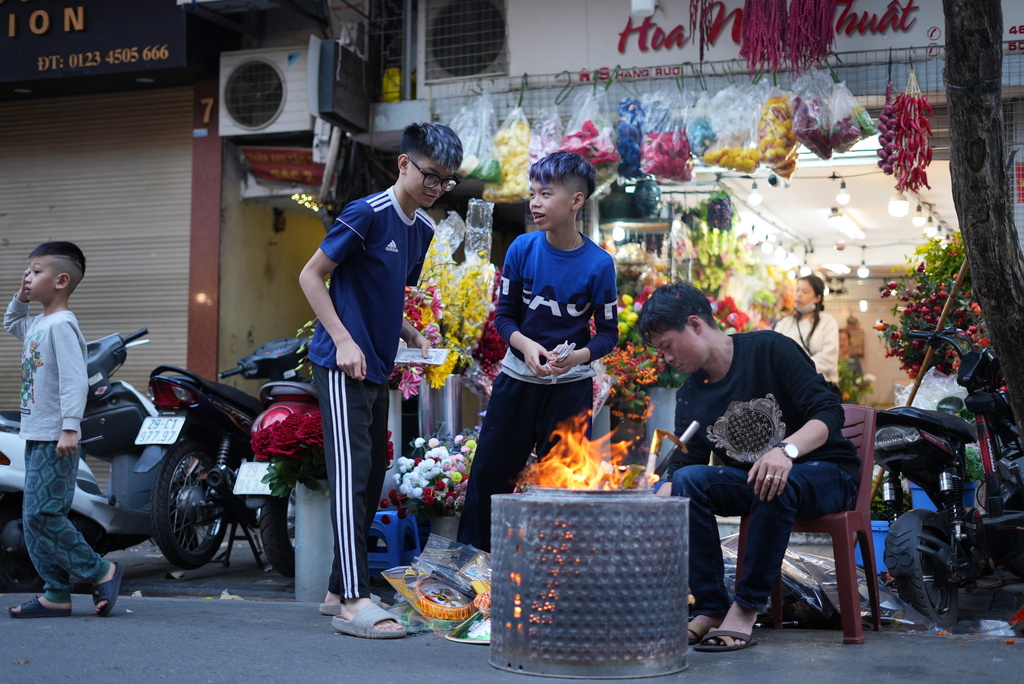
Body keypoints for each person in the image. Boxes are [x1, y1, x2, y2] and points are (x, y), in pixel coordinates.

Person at [298, 122, 463, 639]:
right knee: (350, 479)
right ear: (403, 163)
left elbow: (385, 293)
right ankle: (353, 601)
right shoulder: (365, 214)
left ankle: (333, 590)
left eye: (446, 181)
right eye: (430, 175)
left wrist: (412, 331)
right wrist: (344, 341)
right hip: (340, 362)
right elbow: (311, 275)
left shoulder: (425, 231)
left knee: (371, 481)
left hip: (377, 365)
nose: (436, 188)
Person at [636, 281, 858, 652]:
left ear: (694, 324)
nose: (666, 359)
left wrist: (786, 450)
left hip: (826, 470)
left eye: (667, 346)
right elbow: (686, 465)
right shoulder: (691, 394)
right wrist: (653, 492)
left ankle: (746, 607)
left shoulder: (769, 349)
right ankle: (709, 606)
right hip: (757, 481)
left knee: (774, 477)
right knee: (690, 480)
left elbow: (828, 411)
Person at [457, 151, 619, 552]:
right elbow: (505, 320)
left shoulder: (600, 265)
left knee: (558, 486)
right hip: (516, 380)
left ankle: (552, 573)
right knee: (488, 477)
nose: (534, 202)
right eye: (533, 193)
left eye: (546, 194)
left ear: (576, 201)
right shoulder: (521, 250)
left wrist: (577, 358)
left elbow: (608, 335)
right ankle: (470, 573)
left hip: (570, 390)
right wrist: (527, 348)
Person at [5, 242, 124, 618]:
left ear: (61, 280)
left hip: (57, 437)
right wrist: (20, 295)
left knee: (44, 515)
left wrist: (70, 428)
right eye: (27, 271)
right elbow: (10, 322)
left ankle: (101, 570)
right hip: (37, 435)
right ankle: (55, 593)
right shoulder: (38, 323)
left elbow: (76, 380)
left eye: (36, 271)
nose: (28, 276)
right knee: (34, 520)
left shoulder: (63, 325)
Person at [773, 274, 839, 387]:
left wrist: (796, 366)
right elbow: (775, 353)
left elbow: (828, 358)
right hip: (788, 386)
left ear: (817, 298)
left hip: (819, 386)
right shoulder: (784, 323)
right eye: (797, 290)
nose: (799, 294)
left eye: (805, 291)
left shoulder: (827, 322)